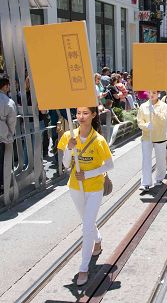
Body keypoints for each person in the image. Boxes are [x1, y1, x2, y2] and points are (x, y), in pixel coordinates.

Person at [57, 106, 113, 286]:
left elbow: (109, 165)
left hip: (95, 187)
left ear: (93, 115)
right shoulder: (68, 136)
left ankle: (83, 268)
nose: (81, 117)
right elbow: (66, 165)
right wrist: (68, 148)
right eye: (78, 113)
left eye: (85, 113)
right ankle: (97, 240)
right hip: (75, 187)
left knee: (86, 226)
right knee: (87, 223)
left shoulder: (99, 140)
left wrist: (88, 174)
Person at [136, 91, 167, 192]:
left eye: (154, 92)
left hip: (160, 137)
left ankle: (159, 178)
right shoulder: (143, 106)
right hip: (147, 137)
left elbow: (163, 120)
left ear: (158, 93)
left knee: (160, 160)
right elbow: (139, 121)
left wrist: (154, 112)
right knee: (146, 160)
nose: (152, 94)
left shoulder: (163, 105)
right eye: (150, 92)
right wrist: (145, 126)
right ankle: (145, 183)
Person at [0, 76, 17, 192]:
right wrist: (9, 135)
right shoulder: (8, 102)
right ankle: (2, 185)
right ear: (6, 86)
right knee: (2, 162)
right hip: (2, 137)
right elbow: (12, 122)